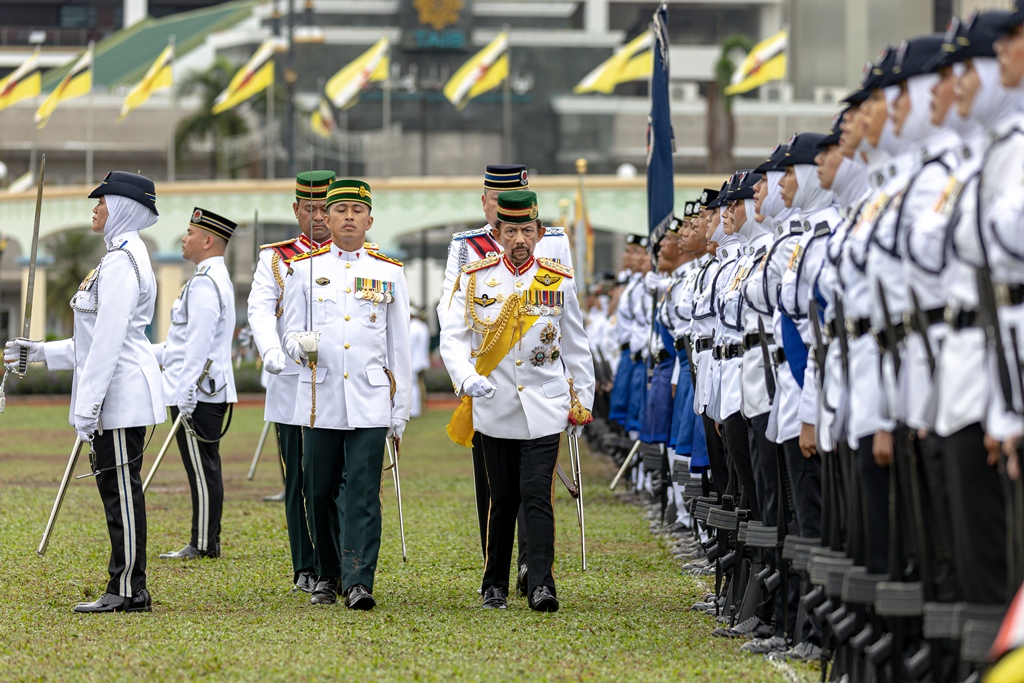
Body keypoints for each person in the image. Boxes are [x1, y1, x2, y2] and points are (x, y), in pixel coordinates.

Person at [5, 172, 165, 613]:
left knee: (122, 493)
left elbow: (110, 341)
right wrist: (36, 352)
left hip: (120, 394)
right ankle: (125, 582)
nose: (95, 208)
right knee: (116, 491)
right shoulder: (116, 258)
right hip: (114, 392)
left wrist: (89, 405)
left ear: (124, 208)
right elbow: (87, 343)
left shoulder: (122, 263)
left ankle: (130, 588)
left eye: (102, 201)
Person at [440, 190, 595, 612]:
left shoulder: (557, 278)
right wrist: (467, 378)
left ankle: (542, 583)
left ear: (539, 232)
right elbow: (452, 337)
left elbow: (577, 345)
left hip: (545, 406)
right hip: (495, 404)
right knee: (502, 497)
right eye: (512, 231)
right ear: (497, 233)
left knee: (536, 495)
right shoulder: (476, 277)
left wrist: (584, 397)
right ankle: (494, 584)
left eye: (528, 230)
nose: (520, 238)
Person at [277, 179, 412, 610]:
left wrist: (401, 408)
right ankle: (327, 573)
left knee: (362, 492)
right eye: (341, 210)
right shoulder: (304, 268)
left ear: (370, 220)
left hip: (371, 399)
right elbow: (289, 332)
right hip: (319, 399)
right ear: (326, 218)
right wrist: (299, 345)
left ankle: (358, 580)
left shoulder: (390, 271)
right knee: (317, 490)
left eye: (357, 210)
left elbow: (400, 347)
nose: (349, 217)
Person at [247, 170, 335, 593]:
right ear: (296, 210)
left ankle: (337, 563)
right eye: (309, 209)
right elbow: (260, 311)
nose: (318, 217)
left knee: (338, 477)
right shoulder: (276, 258)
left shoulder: (359, 255)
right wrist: (271, 353)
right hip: (292, 380)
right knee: (298, 478)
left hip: (339, 383)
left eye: (325, 208)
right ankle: (306, 564)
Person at [154, 208, 238, 560]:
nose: (184, 238)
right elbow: (182, 343)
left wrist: (187, 391)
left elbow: (199, 344)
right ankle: (206, 538)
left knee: (202, 469)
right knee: (203, 466)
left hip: (199, 392)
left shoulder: (206, 282)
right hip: (200, 389)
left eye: (190, 232)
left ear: (207, 240)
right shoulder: (207, 278)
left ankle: (204, 542)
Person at [409, 308, 431, 418]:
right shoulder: (422, 326)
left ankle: (415, 410)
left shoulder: (413, 327)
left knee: (413, 385)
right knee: (419, 384)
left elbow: (409, 346)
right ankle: (420, 407)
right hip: (421, 360)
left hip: (414, 361)